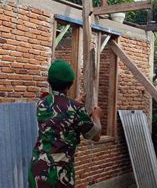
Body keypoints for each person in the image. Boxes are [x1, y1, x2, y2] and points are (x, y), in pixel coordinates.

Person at [28, 60, 102, 188]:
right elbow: (95, 136)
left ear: (48, 80)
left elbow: (58, 112)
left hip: (37, 171)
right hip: (59, 177)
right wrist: (97, 117)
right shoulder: (75, 109)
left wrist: (73, 103)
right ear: (71, 84)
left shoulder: (41, 104)